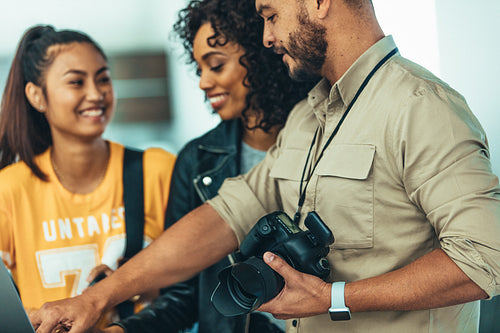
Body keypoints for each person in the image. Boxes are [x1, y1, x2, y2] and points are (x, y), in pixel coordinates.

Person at [31, 1, 500, 332]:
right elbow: (228, 214)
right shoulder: (307, 116)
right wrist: (98, 297)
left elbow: (485, 258)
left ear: (319, 2)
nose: (266, 37)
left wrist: (334, 299)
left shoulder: (422, 106)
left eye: (271, 15)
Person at [100, 0, 315, 332]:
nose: (203, 82)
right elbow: (183, 297)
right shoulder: (196, 161)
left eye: (216, 65)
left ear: (260, 56)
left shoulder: (323, 134)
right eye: (199, 68)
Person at [0, 25, 175, 328]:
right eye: (76, 82)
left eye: (103, 79)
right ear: (37, 96)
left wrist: (132, 285)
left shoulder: (158, 169)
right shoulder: (10, 189)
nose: (95, 94)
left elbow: (192, 284)